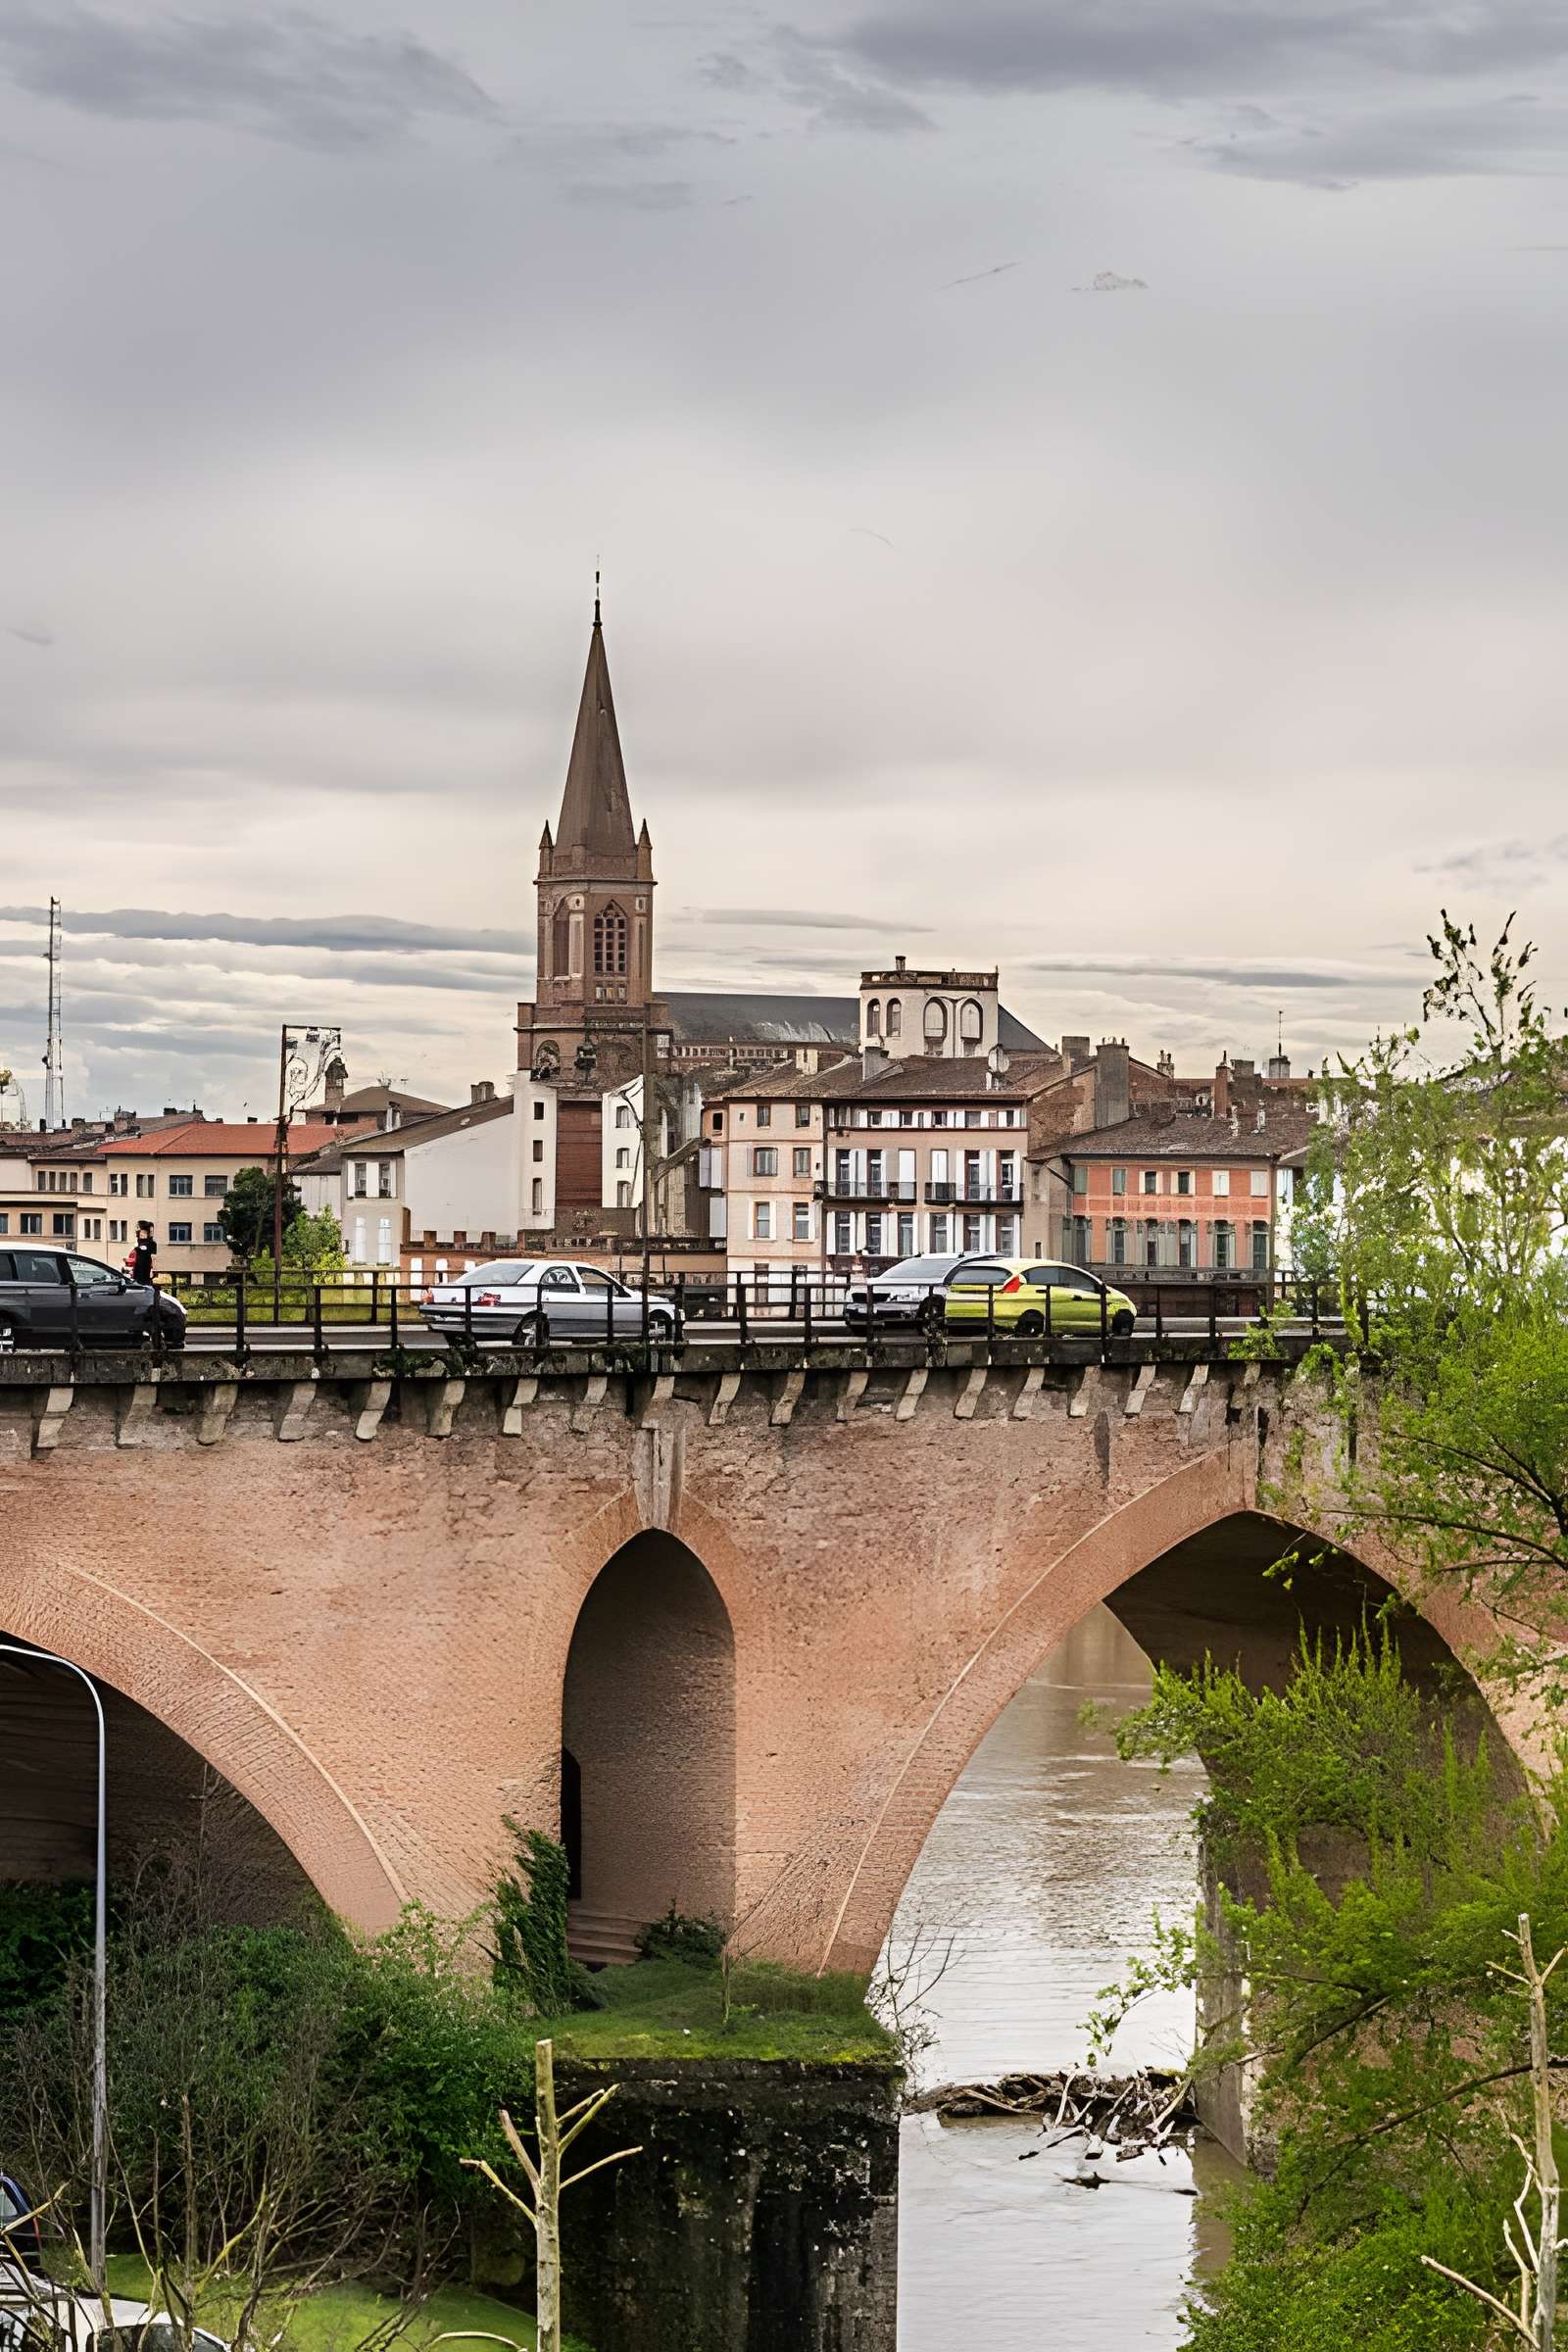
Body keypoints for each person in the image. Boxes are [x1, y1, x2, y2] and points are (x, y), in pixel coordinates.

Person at [130, 1220, 157, 1286]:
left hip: (146, 1270)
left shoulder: (151, 1243)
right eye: (140, 1232)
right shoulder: (138, 1242)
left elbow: (153, 1257)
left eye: (143, 1232)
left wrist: (152, 1269)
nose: (141, 1234)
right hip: (137, 1270)